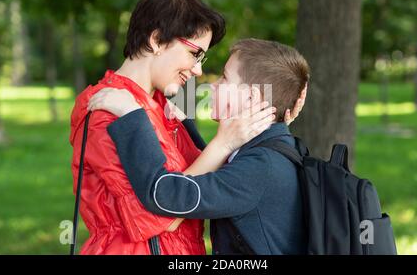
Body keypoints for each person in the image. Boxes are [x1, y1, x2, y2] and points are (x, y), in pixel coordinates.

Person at [69, 0, 276, 255]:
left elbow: (206, 181)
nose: (199, 69)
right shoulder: (106, 109)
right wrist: (222, 144)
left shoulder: (168, 103)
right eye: (194, 53)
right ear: (156, 40)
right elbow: (159, 216)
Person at [88, 38, 310, 254]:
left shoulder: (261, 168)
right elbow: (217, 174)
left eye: (224, 78)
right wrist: (186, 125)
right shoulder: (271, 150)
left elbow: (167, 197)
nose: (212, 85)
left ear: (252, 98)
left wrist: (132, 115)